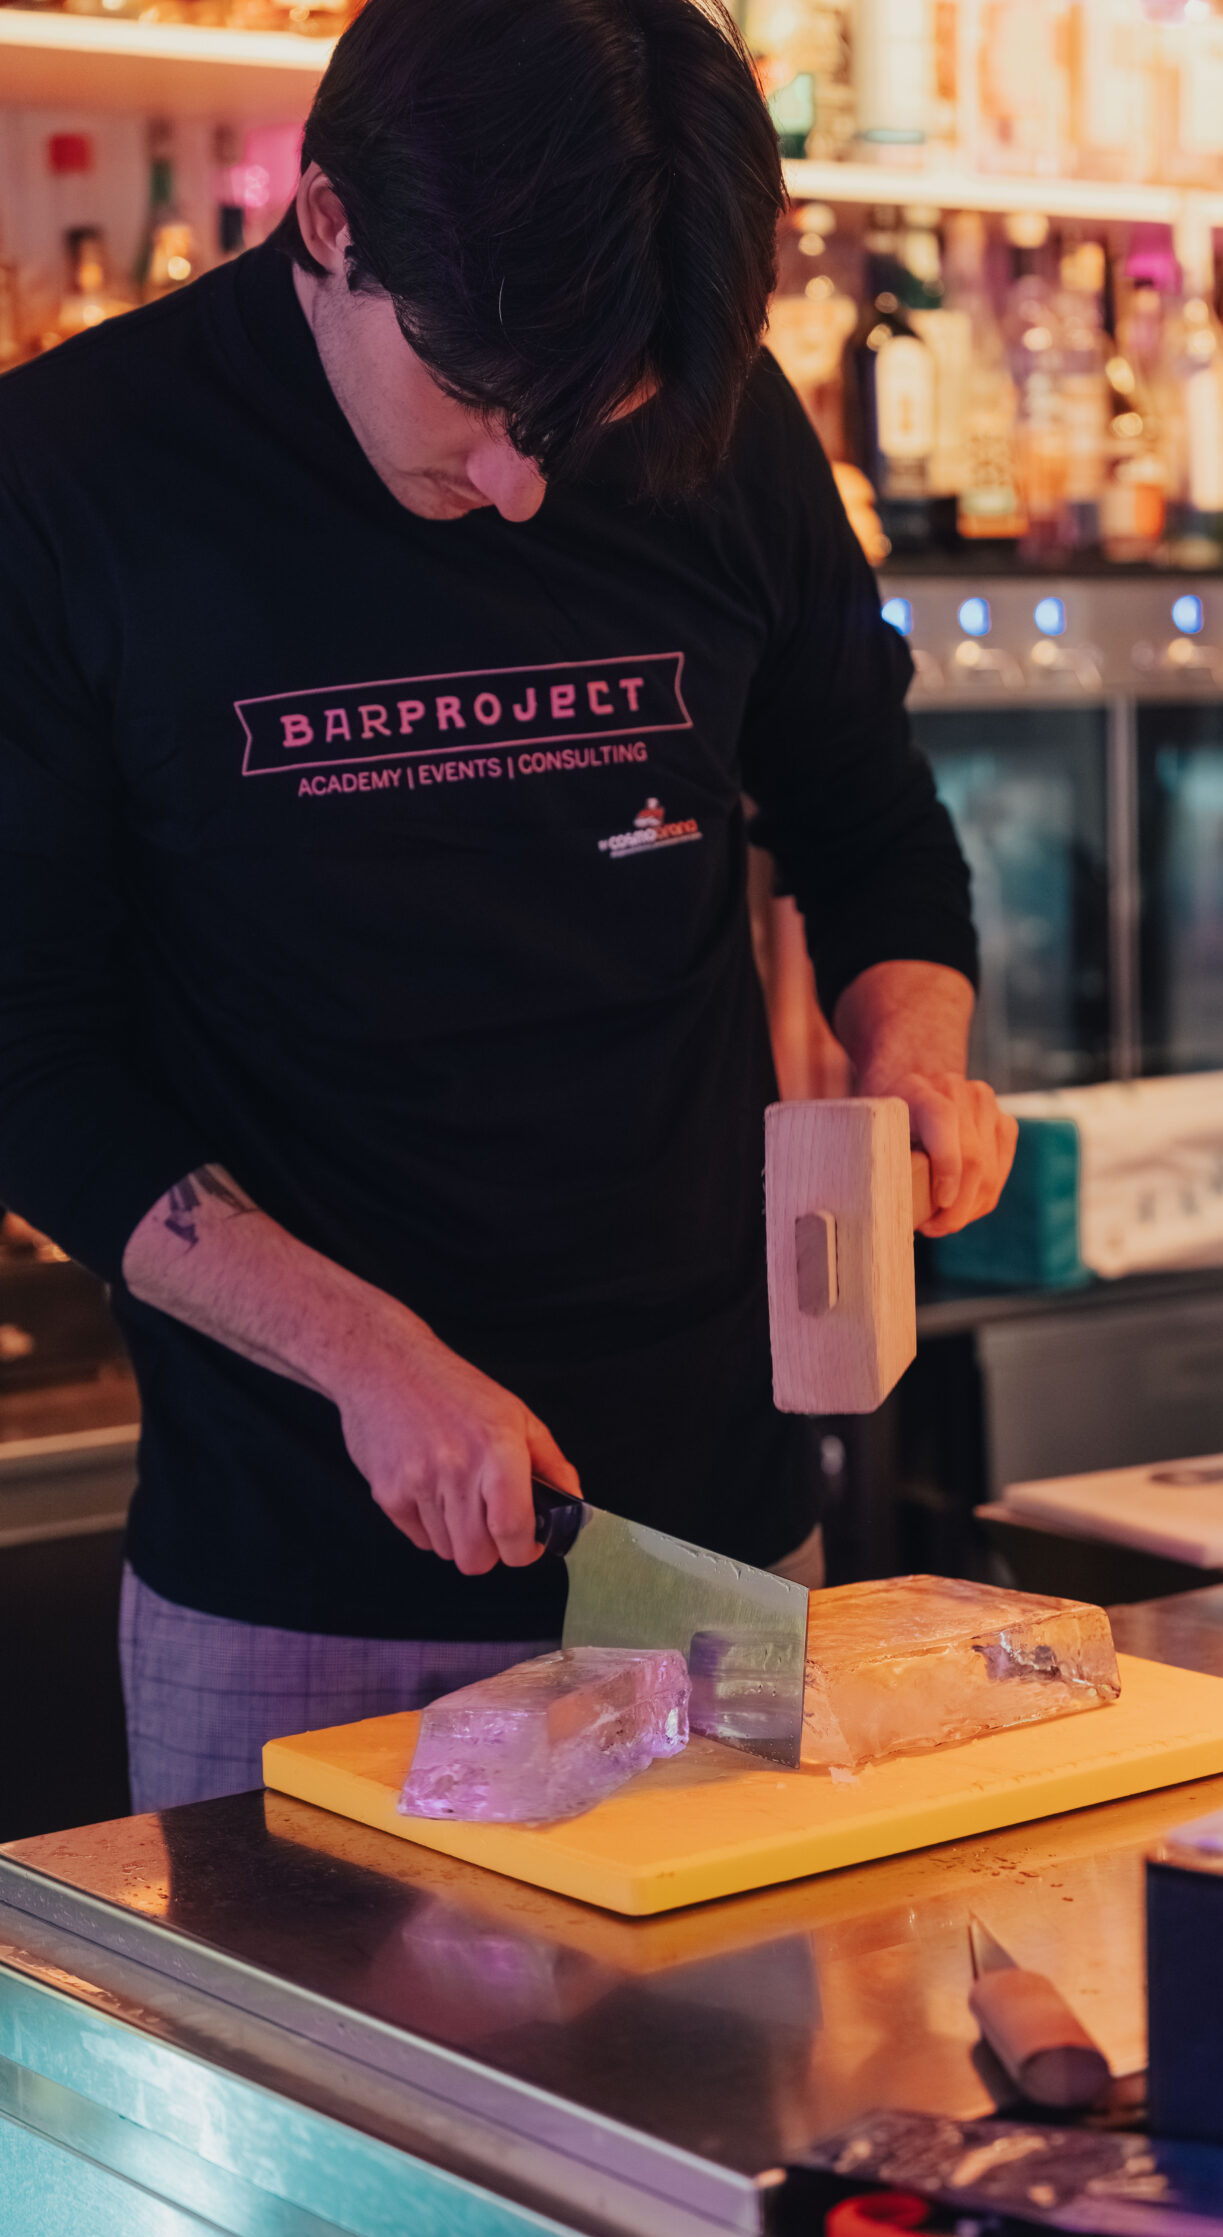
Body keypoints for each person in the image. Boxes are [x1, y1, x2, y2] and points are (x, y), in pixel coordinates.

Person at [0, 0, 1015, 1812]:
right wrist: (365, 1357)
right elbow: (30, 1060)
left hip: (709, 1559)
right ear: (329, 222)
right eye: (477, 400)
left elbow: (872, 827)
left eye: (578, 420)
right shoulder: (70, 477)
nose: (521, 483)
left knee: (743, 2006)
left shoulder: (717, 426)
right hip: (294, 1587)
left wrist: (915, 1057)